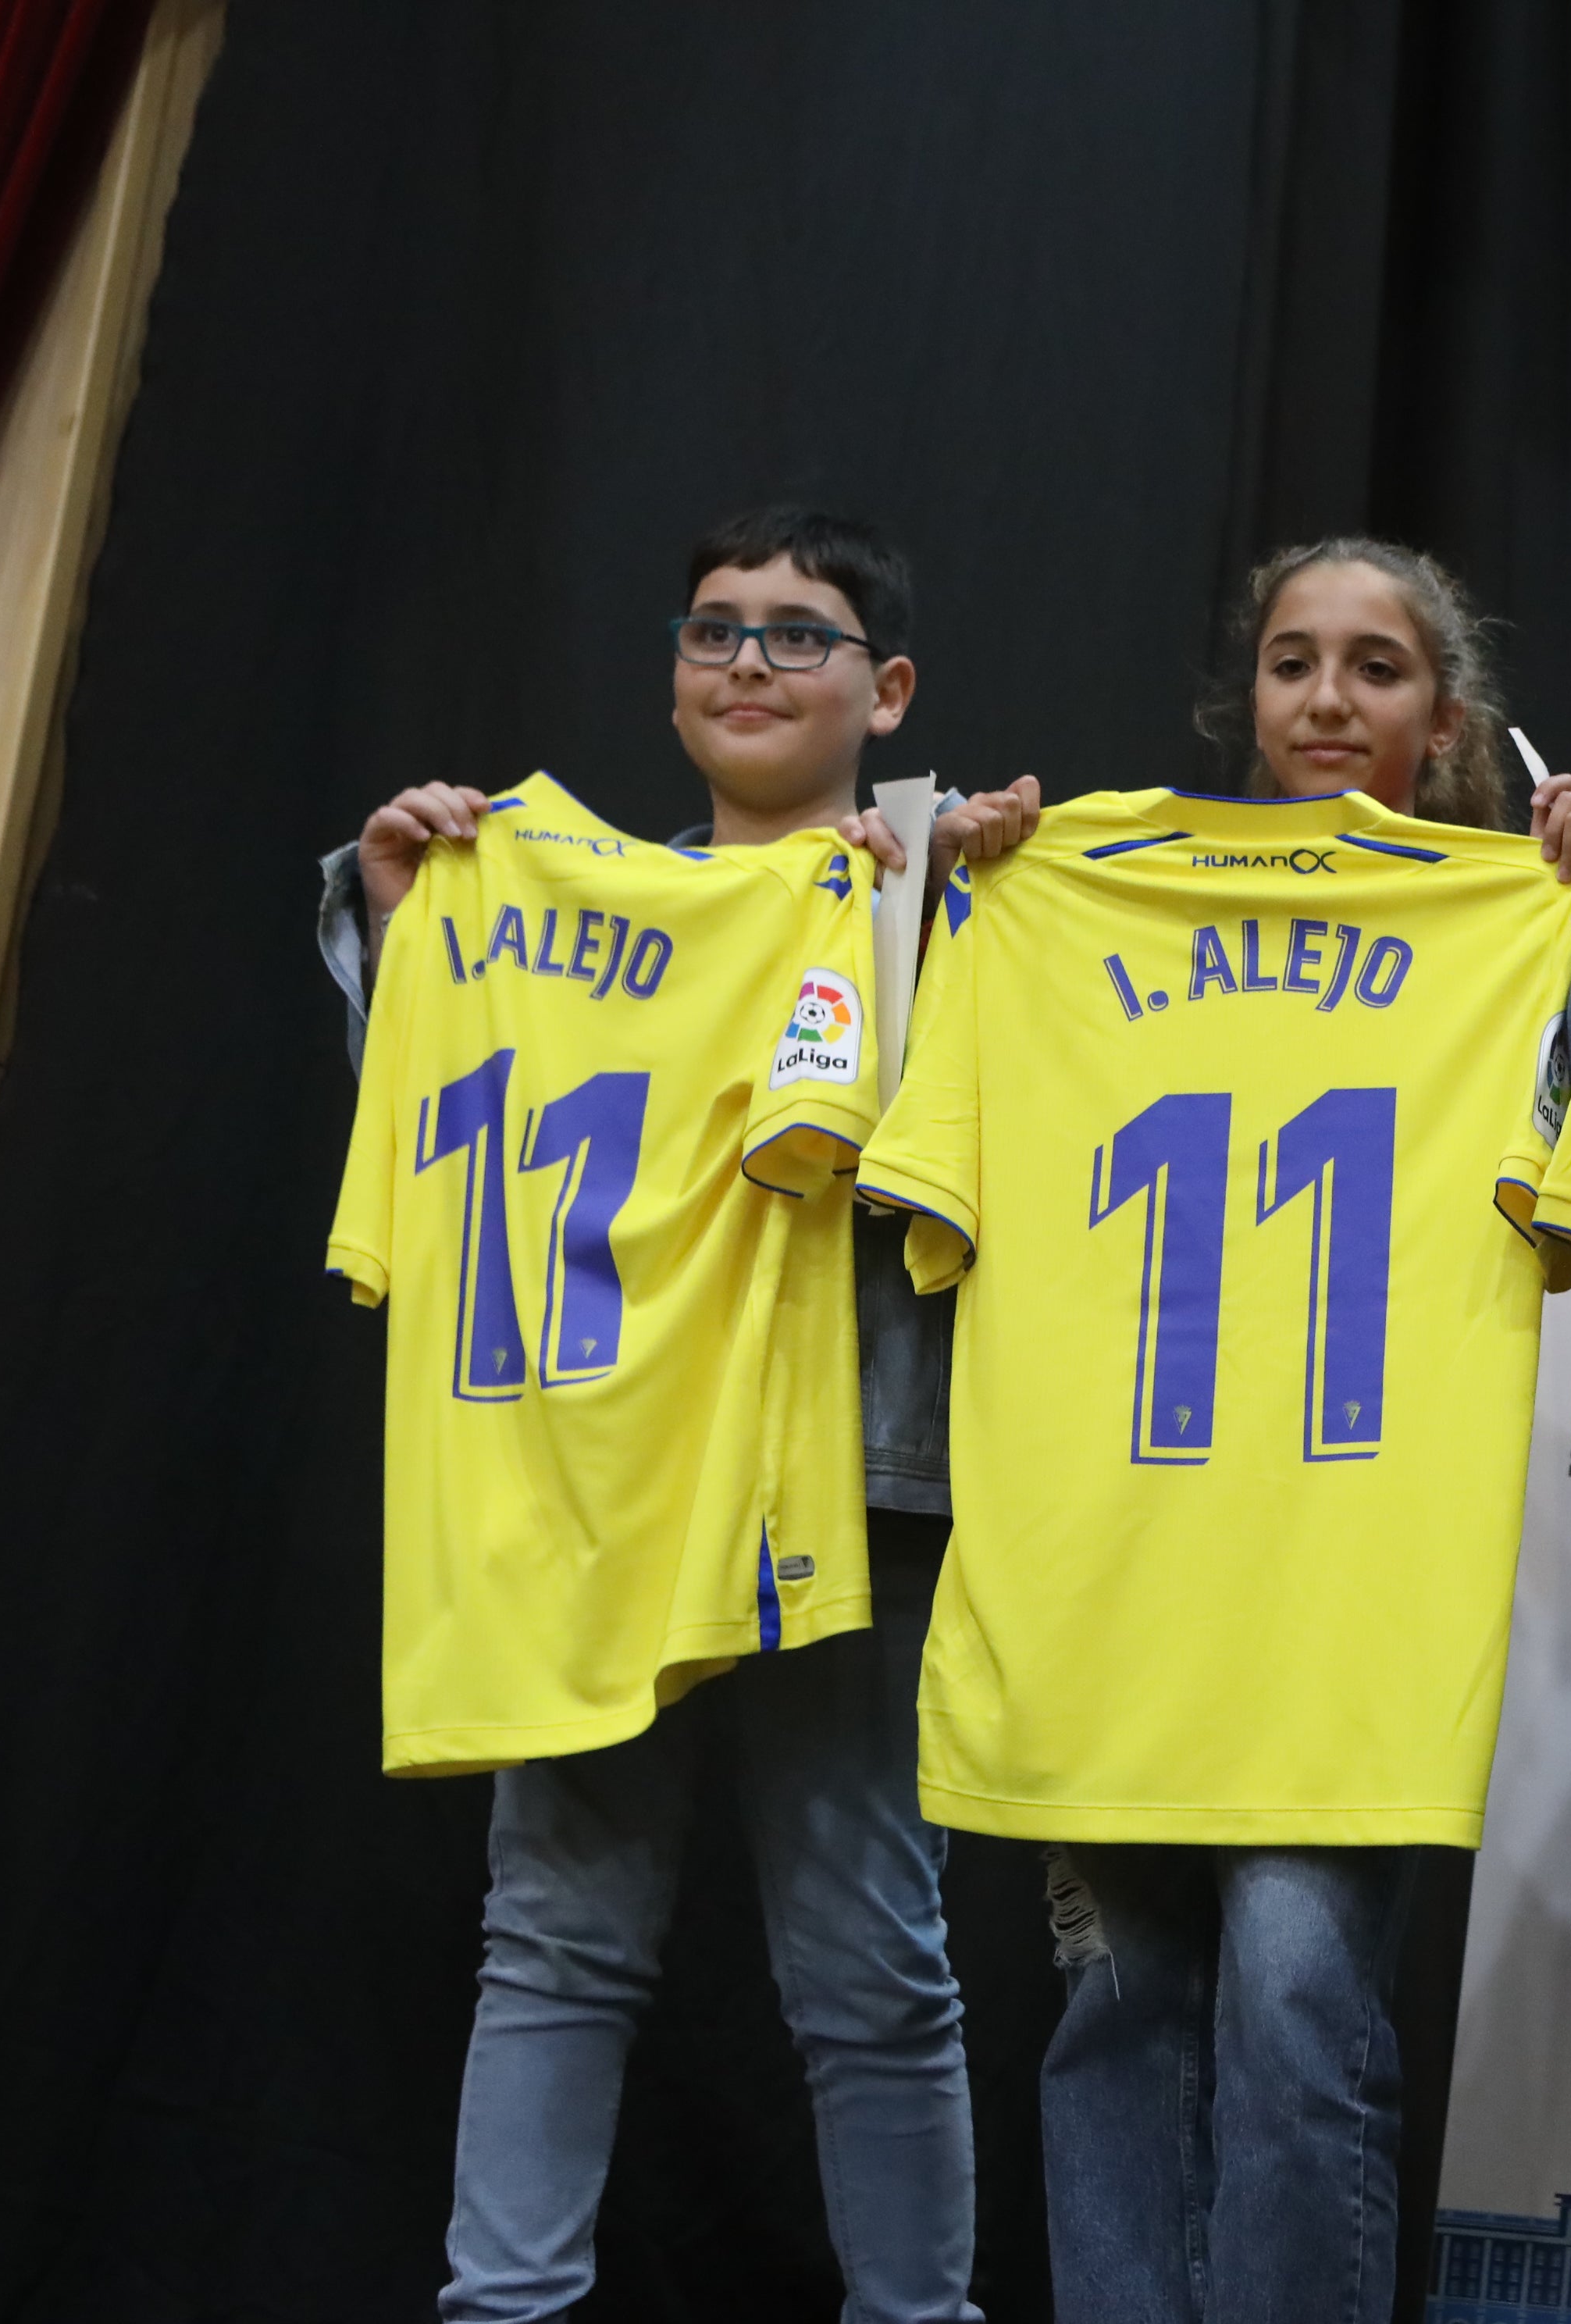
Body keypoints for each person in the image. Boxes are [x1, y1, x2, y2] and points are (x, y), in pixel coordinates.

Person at [321, 507, 989, 2324]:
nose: (750, 664)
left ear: (888, 689)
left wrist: (947, 907)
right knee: (555, 1939)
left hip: (835, 1481)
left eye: (797, 633)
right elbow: (445, 1148)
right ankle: (505, 2310)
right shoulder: (529, 901)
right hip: (598, 1474)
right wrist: (404, 928)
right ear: (671, 676)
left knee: (871, 1956)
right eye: (715, 631)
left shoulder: (947, 891)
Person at [1003, 536, 1571, 2324]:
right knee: (1116, 2011)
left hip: (1355, 1576)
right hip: (1127, 1553)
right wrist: (968, 889)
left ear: (1447, 711)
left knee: (1295, 2001)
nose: (1327, 700)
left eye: (1374, 667)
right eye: (1291, 662)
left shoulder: (1513, 917)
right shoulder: (1091, 897)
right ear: (1243, 696)